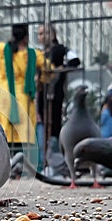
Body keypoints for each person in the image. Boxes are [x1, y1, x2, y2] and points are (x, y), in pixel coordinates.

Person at [0, 17, 51, 167]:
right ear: (26, 36)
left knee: (5, 133)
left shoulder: (2, 49)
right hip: (24, 98)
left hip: (5, 98)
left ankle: (5, 164)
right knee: (24, 134)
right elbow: (49, 69)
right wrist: (41, 81)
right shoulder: (33, 54)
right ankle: (26, 165)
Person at [36, 24, 80, 169]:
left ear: (53, 34)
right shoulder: (39, 54)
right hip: (42, 93)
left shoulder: (61, 49)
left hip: (56, 91)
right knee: (42, 121)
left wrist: (61, 69)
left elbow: (75, 61)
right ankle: (43, 160)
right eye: (40, 33)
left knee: (55, 123)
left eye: (45, 33)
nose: (42, 36)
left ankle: (55, 158)